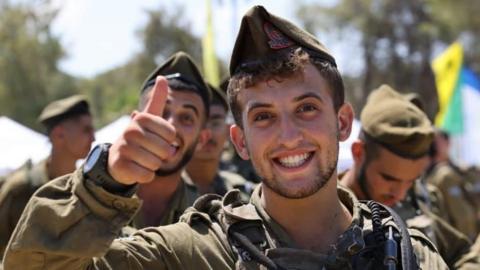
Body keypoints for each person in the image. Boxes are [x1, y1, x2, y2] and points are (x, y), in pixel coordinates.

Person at [3, 6, 447, 269]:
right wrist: (103, 185)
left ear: (344, 122)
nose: (289, 136)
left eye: (307, 109)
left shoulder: (406, 254)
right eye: (264, 117)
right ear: (240, 141)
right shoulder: (191, 252)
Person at [339, 85, 480, 269]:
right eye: (389, 179)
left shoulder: (415, 201)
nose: (400, 194)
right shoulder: (328, 211)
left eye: (411, 181)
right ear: (358, 153)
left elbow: (461, 254)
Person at [0, 95, 94, 257]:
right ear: (59, 135)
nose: (93, 137)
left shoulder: (88, 187)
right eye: (86, 130)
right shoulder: (21, 188)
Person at [126, 51, 211, 228]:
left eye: (187, 118)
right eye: (162, 112)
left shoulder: (207, 221)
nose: (170, 127)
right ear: (135, 122)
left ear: (201, 139)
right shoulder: (96, 201)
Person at [184, 83, 254, 200]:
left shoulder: (242, 191)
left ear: (228, 131)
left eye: (215, 122)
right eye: (199, 123)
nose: (207, 133)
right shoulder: (164, 190)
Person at [423, 128, 479, 240]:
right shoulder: (436, 174)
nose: (433, 145)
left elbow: (463, 216)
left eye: (436, 141)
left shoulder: (460, 172)